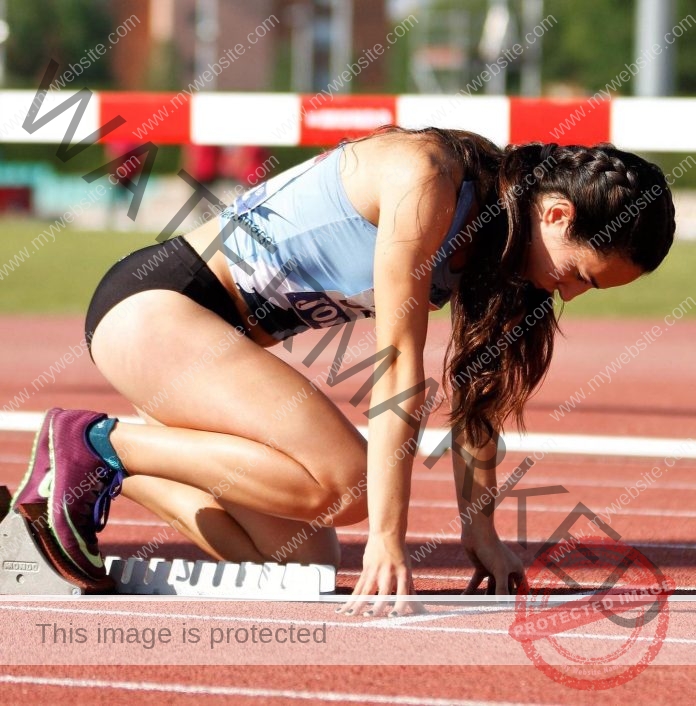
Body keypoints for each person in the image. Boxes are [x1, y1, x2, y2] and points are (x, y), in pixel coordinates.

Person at [12, 127, 675, 614]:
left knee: (300, 563)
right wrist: (389, 538)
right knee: (351, 489)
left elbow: (477, 395)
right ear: (557, 214)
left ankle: (97, 467)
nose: (571, 295)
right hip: (158, 308)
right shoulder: (429, 177)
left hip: (200, 345)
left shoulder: (501, 242)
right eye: (581, 274)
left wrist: (482, 532)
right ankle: (94, 442)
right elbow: (399, 375)